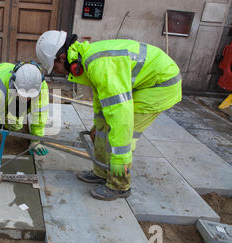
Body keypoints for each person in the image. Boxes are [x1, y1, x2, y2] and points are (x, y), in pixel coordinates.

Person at [36, 30, 182, 201]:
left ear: (61, 57)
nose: (59, 73)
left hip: (160, 86)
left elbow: (121, 116)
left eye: (57, 68)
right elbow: (101, 101)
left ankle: (119, 185)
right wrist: (97, 127)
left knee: (123, 135)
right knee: (104, 129)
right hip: (145, 83)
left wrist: (114, 139)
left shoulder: (99, 65)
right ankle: (101, 172)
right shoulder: (88, 62)